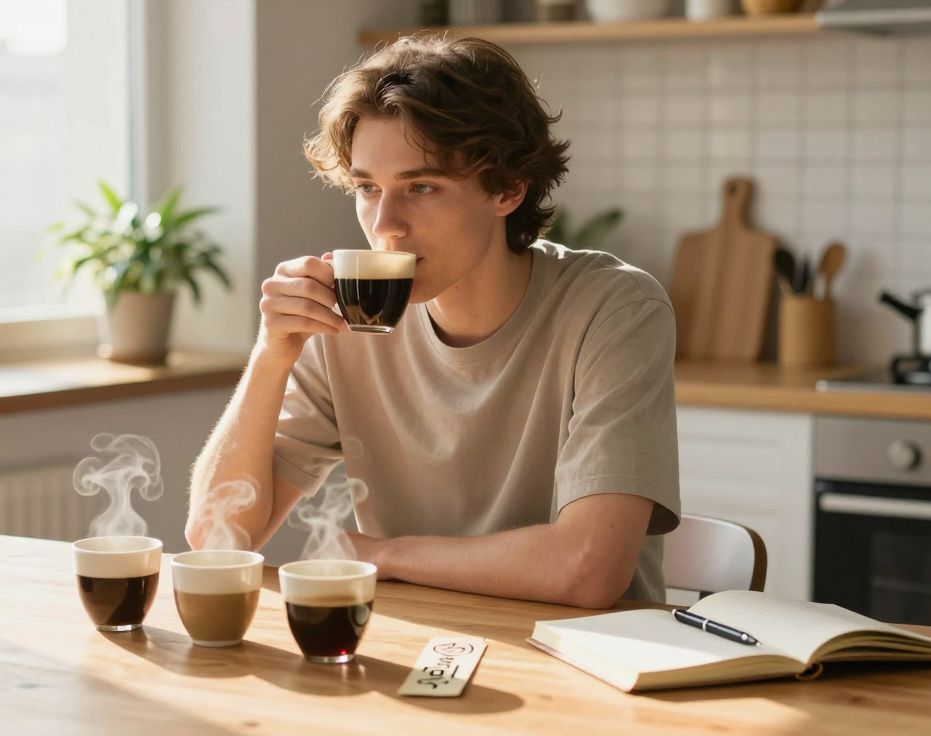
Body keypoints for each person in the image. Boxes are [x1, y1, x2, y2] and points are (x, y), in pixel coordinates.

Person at [186, 33, 679, 608]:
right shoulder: (347, 323)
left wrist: (387, 555)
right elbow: (220, 537)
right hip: (415, 646)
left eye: (421, 187)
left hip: (583, 659)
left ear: (508, 188)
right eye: (367, 188)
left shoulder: (613, 310)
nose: (386, 225)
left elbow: (588, 569)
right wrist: (272, 355)